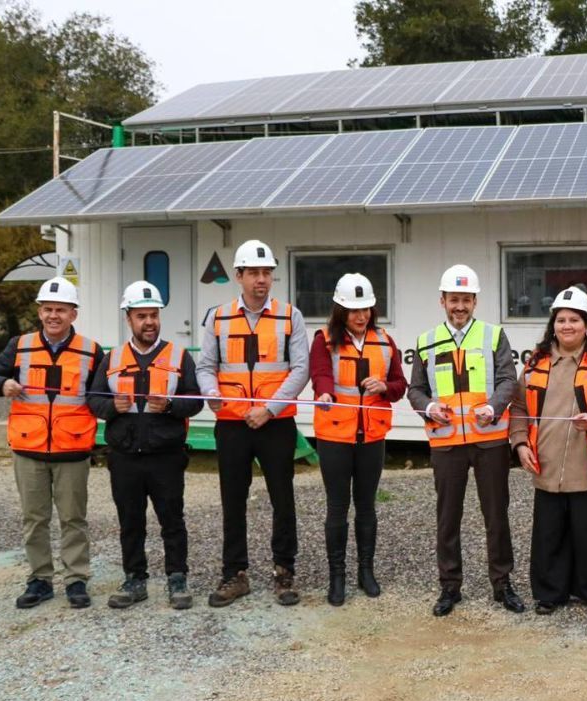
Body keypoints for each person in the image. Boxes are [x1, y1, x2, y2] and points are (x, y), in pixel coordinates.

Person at [0, 276, 103, 609]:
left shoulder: (91, 351)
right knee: (35, 518)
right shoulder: (19, 346)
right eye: (47, 309)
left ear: (74, 314)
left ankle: (76, 580)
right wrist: (2, 383)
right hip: (29, 450)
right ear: (39, 311)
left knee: (74, 518)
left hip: (72, 450)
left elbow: (105, 396)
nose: (53, 316)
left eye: (60, 310)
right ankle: (40, 579)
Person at [196, 239, 309, 608]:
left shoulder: (290, 316)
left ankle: (284, 570)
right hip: (231, 423)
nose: (262, 280)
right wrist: (213, 396)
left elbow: (300, 369)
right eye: (254, 273)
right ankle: (235, 573)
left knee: (283, 498)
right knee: (233, 499)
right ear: (239, 276)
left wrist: (270, 409)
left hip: (275, 424)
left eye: (267, 273)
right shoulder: (218, 317)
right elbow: (205, 367)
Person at [407, 264, 523, 617]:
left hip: (488, 441)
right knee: (447, 517)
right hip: (446, 443)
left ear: (475, 301)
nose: (460, 306)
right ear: (442, 300)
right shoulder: (426, 341)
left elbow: (508, 380)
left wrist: (493, 406)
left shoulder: (493, 335)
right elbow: (415, 390)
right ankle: (449, 586)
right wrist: (428, 407)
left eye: (466, 300)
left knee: (496, 515)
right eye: (454, 299)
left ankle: (502, 584)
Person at [510, 286, 587, 617]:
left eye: (574, 320)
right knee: (549, 535)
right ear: (553, 324)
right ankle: (550, 593)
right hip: (546, 466)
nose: (567, 326)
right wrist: (519, 444)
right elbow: (518, 407)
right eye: (561, 319)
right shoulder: (535, 362)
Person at [88, 281, 203, 610]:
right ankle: (135, 579)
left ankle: (177, 578)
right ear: (129, 318)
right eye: (142, 316)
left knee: (172, 520)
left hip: (166, 455)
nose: (149, 322)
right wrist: (112, 409)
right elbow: (93, 398)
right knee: (130, 521)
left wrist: (168, 405)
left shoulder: (178, 356)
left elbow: (196, 400)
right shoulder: (112, 358)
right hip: (124, 456)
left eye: (154, 315)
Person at [310, 273, 407, 606]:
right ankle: (337, 577)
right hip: (335, 435)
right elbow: (320, 373)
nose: (361, 315)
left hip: (372, 436)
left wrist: (385, 387)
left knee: (367, 506)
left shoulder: (385, 341)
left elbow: (399, 386)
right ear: (340, 311)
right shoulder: (323, 340)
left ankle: (366, 571)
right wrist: (323, 392)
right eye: (353, 310)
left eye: (366, 308)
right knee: (337, 507)